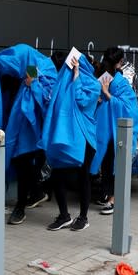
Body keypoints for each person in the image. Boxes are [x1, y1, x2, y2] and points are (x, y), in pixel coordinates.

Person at [0, 45, 57, 225]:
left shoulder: (41, 69)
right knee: (21, 163)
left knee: (23, 164)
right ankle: (35, 192)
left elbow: (47, 100)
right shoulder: (18, 73)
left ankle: (21, 206)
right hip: (17, 128)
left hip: (31, 131)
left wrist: (34, 84)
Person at [40, 53, 100, 231]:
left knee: (83, 178)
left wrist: (76, 76)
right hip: (66, 138)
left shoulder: (93, 84)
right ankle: (64, 215)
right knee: (57, 175)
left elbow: (82, 100)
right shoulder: (63, 84)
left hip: (86, 138)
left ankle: (83, 217)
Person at [90, 48, 138, 215]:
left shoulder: (105, 76)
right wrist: (104, 95)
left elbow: (122, 104)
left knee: (109, 163)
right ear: (120, 62)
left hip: (107, 127)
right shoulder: (118, 79)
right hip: (111, 127)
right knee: (110, 164)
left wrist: (105, 95)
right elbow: (130, 107)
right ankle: (109, 196)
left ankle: (112, 198)